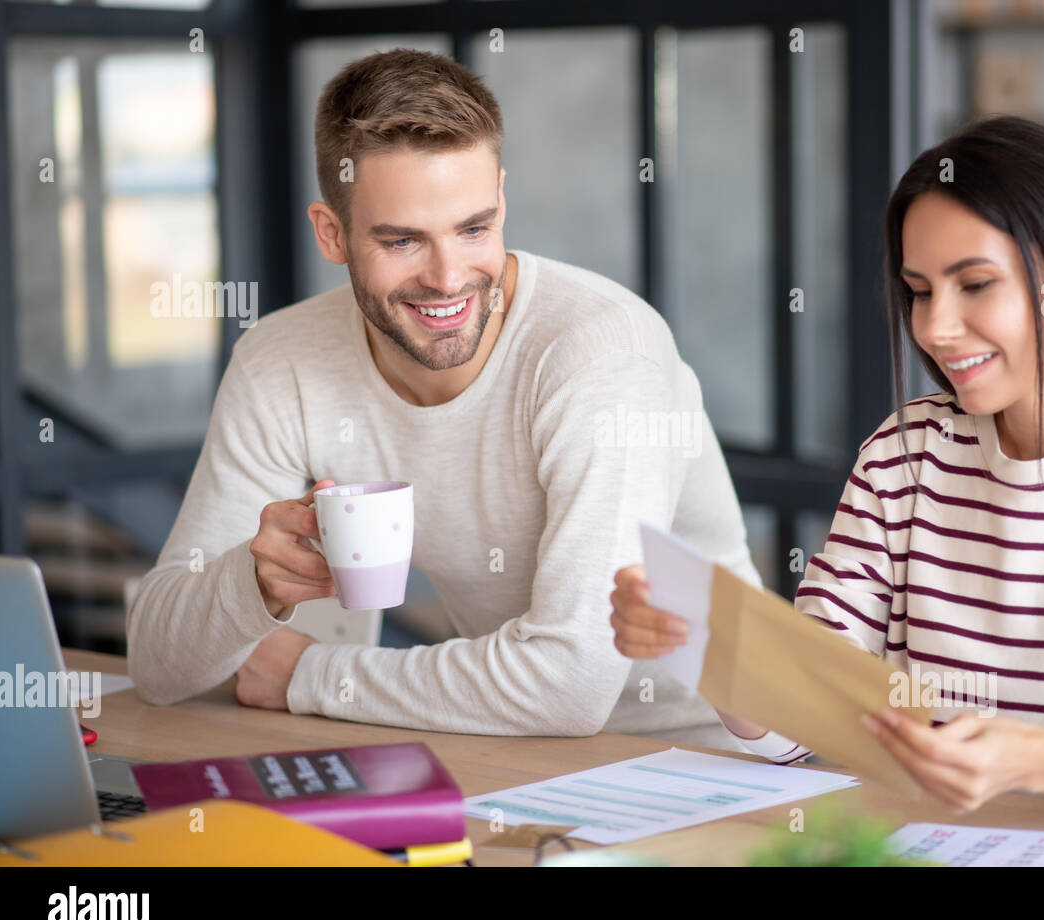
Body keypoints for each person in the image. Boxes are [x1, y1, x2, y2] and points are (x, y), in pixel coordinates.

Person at [610, 116, 1044, 832]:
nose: (935, 327)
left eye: (974, 285)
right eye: (918, 290)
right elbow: (804, 725)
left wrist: (1037, 761)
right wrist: (707, 645)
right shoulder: (904, 456)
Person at [126, 49, 761, 749]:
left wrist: (310, 675)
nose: (449, 278)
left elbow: (571, 685)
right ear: (331, 233)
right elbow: (157, 665)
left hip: (702, 760)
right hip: (498, 754)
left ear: (502, 201)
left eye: (474, 228)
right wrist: (254, 582)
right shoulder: (283, 361)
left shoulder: (600, 356)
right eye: (402, 240)